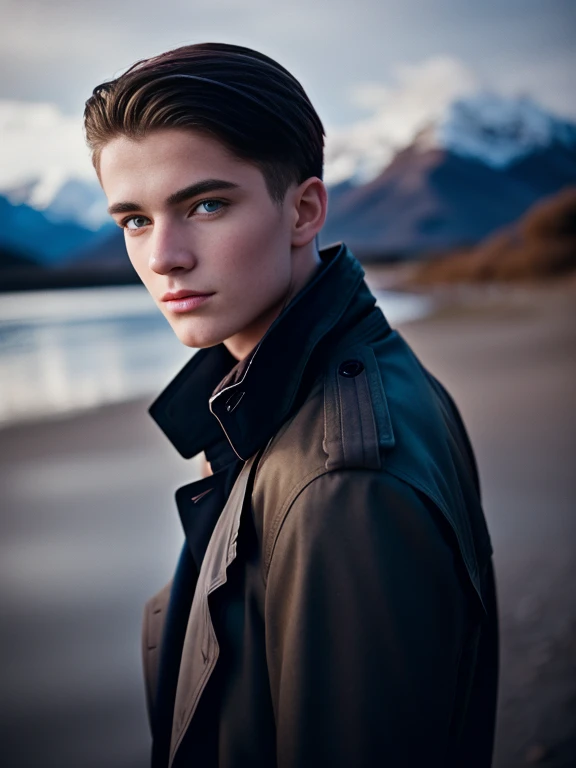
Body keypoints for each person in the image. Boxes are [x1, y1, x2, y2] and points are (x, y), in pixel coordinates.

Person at [83, 42, 499, 768]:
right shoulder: (329, 388)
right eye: (135, 221)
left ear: (303, 209)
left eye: (205, 204)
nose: (164, 257)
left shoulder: (342, 483)